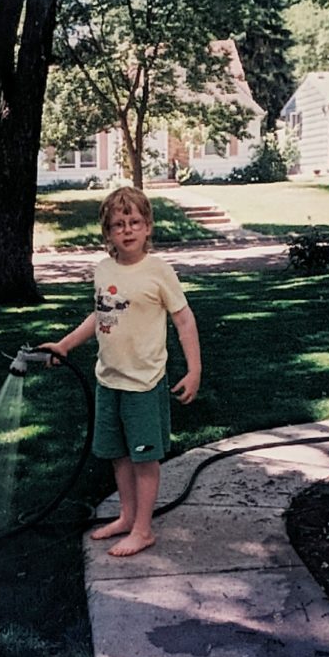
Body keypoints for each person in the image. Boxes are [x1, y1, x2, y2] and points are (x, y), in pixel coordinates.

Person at [42, 186, 201, 557]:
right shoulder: (104, 270)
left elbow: (185, 320)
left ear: (148, 227)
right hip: (108, 380)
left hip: (144, 384)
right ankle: (128, 517)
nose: (127, 230)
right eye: (118, 224)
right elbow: (101, 315)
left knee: (145, 459)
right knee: (119, 456)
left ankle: (144, 530)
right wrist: (65, 344)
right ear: (108, 233)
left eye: (134, 222)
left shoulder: (158, 271)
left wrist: (194, 370)